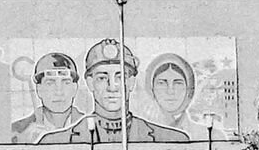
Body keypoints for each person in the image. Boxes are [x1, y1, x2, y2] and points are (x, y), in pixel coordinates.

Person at [38, 39, 190, 144]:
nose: (112, 87)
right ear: (90, 83)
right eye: (102, 78)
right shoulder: (53, 143)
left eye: (120, 77)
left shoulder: (173, 140)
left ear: (131, 82)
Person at [10, 52, 85, 143]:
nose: (59, 92)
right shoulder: (17, 132)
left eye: (66, 82)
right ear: (39, 89)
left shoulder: (91, 128)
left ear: (75, 88)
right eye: (50, 83)